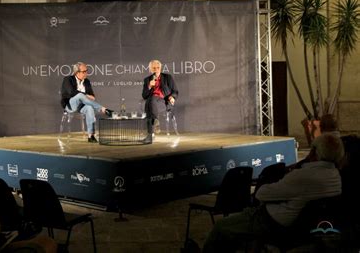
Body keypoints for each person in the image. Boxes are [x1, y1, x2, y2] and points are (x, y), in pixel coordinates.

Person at [202, 133, 344, 253]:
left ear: (313, 152)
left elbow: (262, 194)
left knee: (220, 228)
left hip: (272, 222)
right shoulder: (335, 175)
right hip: (301, 227)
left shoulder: (303, 176)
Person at [61, 62, 113, 143]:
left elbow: (92, 97)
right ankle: (103, 109)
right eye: (84, 71)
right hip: (70, 105)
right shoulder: (68, 79)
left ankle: (91, 136)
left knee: (89, 108)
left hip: (82, 106)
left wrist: (85, 96)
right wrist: (85, 95)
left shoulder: (87, 81)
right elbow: (71, 92)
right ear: (77, 72)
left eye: (87, 71)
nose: (86, 73)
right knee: (80, 96)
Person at [142, 59, 178, 134]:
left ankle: (150, 133)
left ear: (160, 68)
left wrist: (172, 97)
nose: (156, 70)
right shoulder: (147, 80)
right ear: (150, 69)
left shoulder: (168, 77)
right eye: (154, 68)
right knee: (150, 101)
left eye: (158, 67)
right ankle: (156, 121)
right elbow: (144, 96)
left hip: (163, 101)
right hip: (153, 102)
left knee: (149, 103)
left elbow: (174, 91)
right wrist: (149, 86)